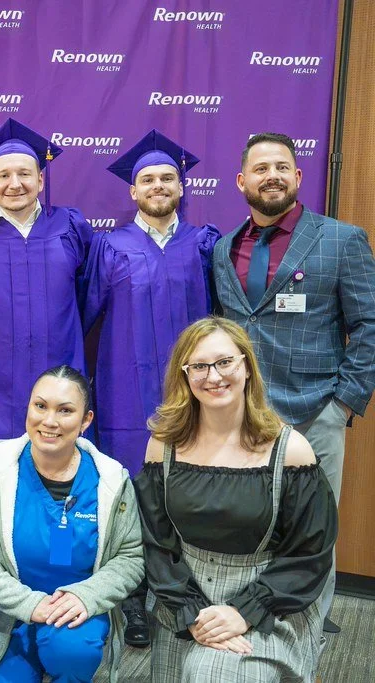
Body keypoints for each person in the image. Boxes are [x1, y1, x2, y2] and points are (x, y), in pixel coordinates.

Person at [212, 132, 375, 633]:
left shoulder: (340, 239)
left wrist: (342, 403)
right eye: (260, 169)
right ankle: (254, 620)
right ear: (242, 181)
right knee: (253, 526)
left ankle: (307, 629)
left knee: (312, 529)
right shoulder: (224, 249)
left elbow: (369, 324)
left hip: (314, 410)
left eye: (282, 166)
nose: (272, 176)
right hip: (242, 416)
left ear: (299, 177)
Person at [135, 317, 337, 681]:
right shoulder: (162, 447)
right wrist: (192, 611)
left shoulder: (290, 451)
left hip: (269, 605)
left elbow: (310, 553)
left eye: (224, 362)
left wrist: (245, 611)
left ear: (246, 365)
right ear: (185, 375)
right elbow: (156, 542)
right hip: (183, 599)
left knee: (211, 672)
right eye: (199, 366)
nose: (213, 376)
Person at [82, 130, 219, 647]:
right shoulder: (110, 246)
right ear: (132, 192)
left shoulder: (203, 244)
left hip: (193, 391)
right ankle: (134, 598)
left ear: (182, 187)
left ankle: (183, 596)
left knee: (189, 492)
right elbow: (84, 314)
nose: (158, 186)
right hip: (124, 390)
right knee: (133, 494)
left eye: (167, 178)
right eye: (147, 180)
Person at [0, 365, 144, 683]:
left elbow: (130, 558)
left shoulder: (111, 480)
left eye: (65, 410)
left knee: (72, 651)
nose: (49, 421)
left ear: (86, 420)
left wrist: (85, 596)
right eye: (40, 406)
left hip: (75, 616)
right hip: (6, 617)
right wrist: (31, 604)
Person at [0, 118, 93, 464]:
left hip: (60, 367)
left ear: (41, 179)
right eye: (4, 175)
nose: (15, 184)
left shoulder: (70, 226)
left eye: (25, 174)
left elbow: (90, 292)